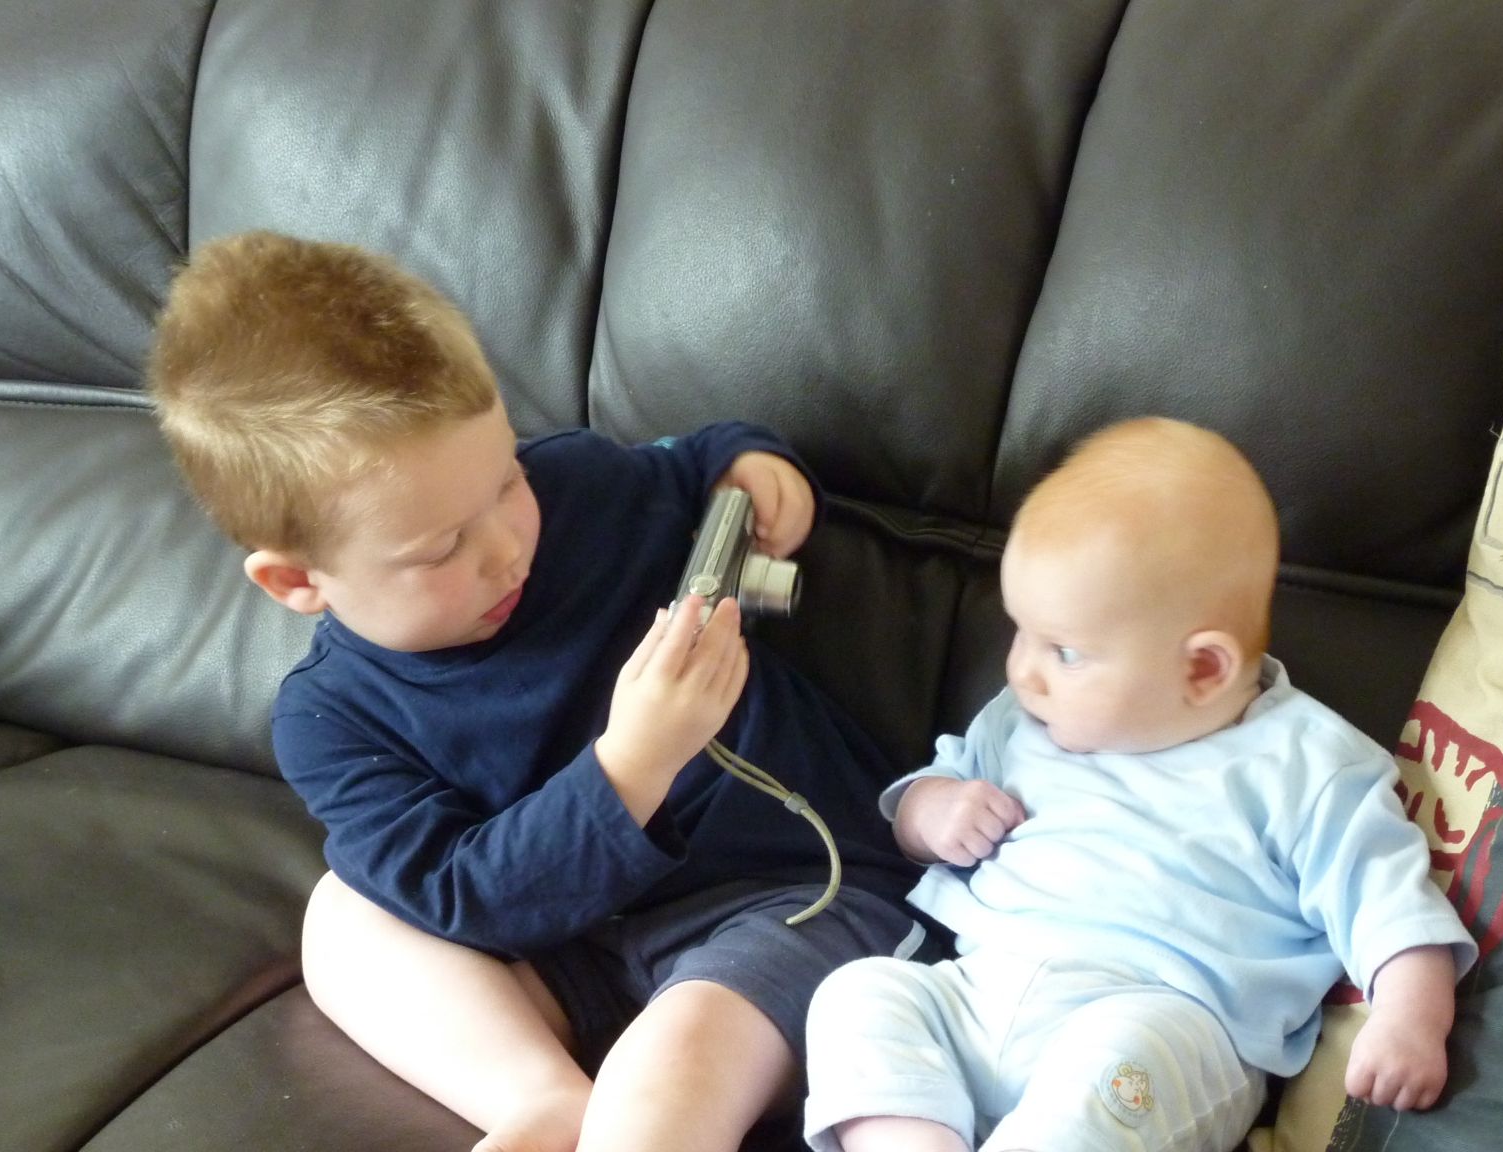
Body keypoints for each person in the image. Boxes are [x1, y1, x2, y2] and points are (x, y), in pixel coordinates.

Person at [145, 231, 926, 1152]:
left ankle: (622, 1116)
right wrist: (632, 767)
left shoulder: (579, 490)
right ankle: (544, 1097)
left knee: (671, 1070)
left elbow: (692, 462)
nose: (508, 546)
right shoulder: (328, 723)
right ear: (296, 582)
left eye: (507, 478)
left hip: (793, 900)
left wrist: (753, 468)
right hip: (563, 945)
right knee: (343, 918)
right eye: (442, 547)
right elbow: (464, 900)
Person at [802, 418, 1477, 1152]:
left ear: (1202, 669)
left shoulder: (1307, 764)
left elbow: (1388, 902)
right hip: (978, 991)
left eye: (1064, 651)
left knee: (1112, 1070)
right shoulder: (1024, 719)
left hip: (1167, 1019)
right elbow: (924, 802)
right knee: (856, 994)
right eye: (1020, 631)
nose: (1023, 670)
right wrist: (933, 812)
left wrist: (1411, 1019)